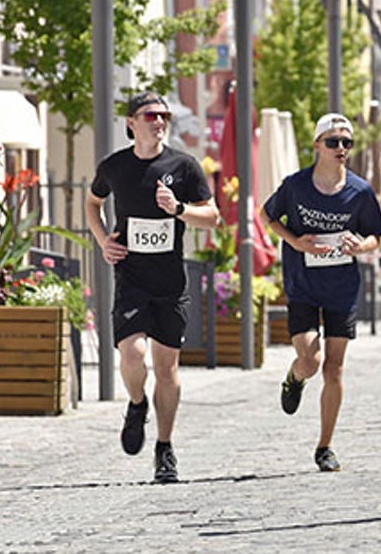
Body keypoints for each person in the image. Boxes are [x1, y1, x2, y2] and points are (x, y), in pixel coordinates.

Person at [86, 92, 219, 484]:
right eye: (151, 115)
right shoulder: (115, 167)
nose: (159, 121)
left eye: (164, 115)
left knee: (166, 366)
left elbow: (211, 218)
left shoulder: (184, 166)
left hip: (170, 283)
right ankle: (137, 403)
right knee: (132, 353)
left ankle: (164, 447)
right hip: (131, 278)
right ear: (132, 123)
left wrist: (179, 209)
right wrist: (101, 240)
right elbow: (93, 203)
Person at [260, 113, 381, 471]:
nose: (341, 148)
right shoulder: (296, 185)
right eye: (333, 141)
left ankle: (325, 446)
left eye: (347, 142)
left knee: (334, 370)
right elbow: (269, 215)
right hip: (302, 285)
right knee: (311, 362)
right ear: (317, 145)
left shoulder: (359, 191)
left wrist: (361, 247)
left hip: (342, 289)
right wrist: (295, 242)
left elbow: (377, 234)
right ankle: (295, 377)